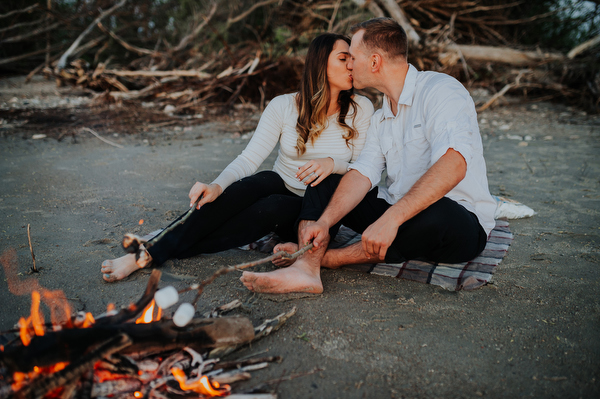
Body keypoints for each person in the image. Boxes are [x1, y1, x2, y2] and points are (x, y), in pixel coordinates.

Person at [240, 17, 497, 294]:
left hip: (456, 223)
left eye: (352, 57)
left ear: (374, 62)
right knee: (327, 180)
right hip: (398, 213)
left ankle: (331, 259)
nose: (348, 65)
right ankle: (306, 265)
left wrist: (391, 219)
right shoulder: (380, 116)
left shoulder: (440, 91)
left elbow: (454, 164)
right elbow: (362, 173)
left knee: (439, 213)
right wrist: (324, 223)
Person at [101, 33, 374, 282]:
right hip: (283, 183)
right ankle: (148, 253)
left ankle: (154, 252)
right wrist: (217, 186)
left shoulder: (361, 108)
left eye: (352, 59)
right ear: (319, 63)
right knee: (253, 184)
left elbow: (364, 170)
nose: (352, 65)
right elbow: (249, 158)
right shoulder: (283, 105)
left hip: (319, 210)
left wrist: (332, 164)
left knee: (272, 206)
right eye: (343, 58)